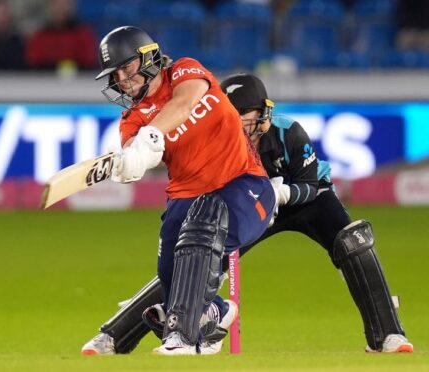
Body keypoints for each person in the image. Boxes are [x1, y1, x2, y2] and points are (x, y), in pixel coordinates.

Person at [80, 72, 414, 355]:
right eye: (234, 114)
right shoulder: (218, 139)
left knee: (353, 240)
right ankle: (115, 335)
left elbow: (312, 185)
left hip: (307, 201)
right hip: (251, 201)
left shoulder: (288, 133)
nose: (242, 122)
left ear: (264, 112)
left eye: (249, 114)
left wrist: (283, 193)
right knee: (193, 255)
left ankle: (387, 335)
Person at [82, 27, 276, 355]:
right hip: (184, 200)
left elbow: (185, 103)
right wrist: (131, 162)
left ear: (149, 58)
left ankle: (182, 337)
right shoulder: (131, 120)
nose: (123, 80)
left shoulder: (184, 71)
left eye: (127, 68)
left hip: (243, 185)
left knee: (203, 229)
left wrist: (151, 133)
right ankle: (215, 312)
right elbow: (139, 154)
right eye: (115, 74)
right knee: (171, 274)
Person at [24, 0, 98, 70]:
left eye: (65, 4)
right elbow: (33, 61)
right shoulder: (41, 35)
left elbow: (89, 60)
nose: (61, 9)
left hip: (79, 79)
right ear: (51, 6)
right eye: (57, 4)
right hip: (46, 80)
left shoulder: (83, 33)